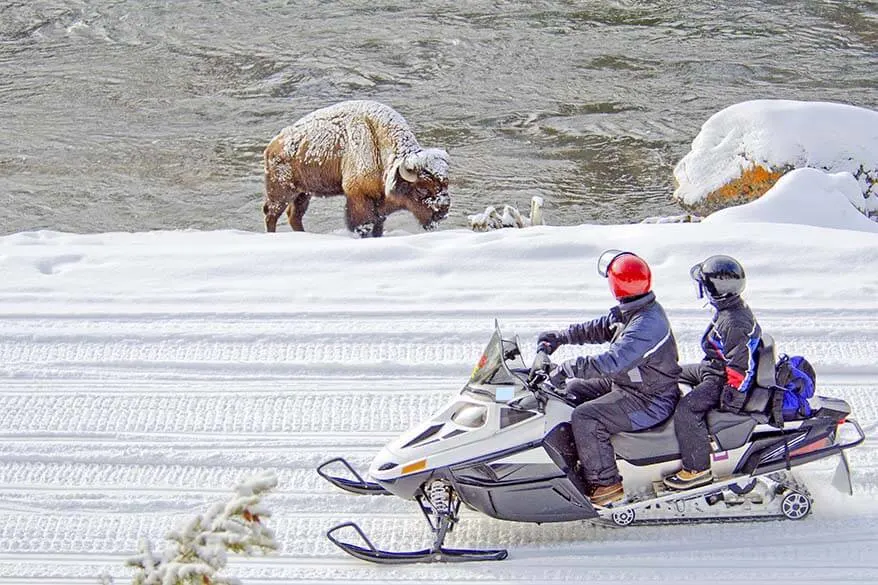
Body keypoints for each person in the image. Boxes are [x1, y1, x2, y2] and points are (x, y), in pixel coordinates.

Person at [537, 250, 682, 506]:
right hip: (632, 382)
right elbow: (599, 327)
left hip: (650, 398)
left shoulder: (647, 325)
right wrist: (560, 337)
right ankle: (583, 455)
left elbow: (612, 361)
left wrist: (568, 366)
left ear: (617, 285)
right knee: (573, 390)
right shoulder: (635, 308)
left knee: (586, 417)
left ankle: (606, 484)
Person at [663, 255, 762, 491]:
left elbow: (740, 368)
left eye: (704, 286)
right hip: (712, 367)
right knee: (668, 375)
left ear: (714, 290)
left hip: (721, 378)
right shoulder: (729, 309)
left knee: (687, 410)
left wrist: (730, 403)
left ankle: (697, 469)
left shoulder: (734, 322)